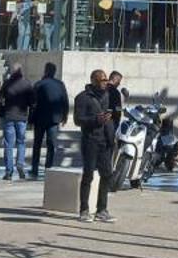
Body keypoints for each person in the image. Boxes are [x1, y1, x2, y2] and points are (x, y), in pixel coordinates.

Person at [73, 68, 117, 223]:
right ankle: (84, 210)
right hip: (90, 140)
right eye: (102, 80)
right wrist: (95, 120)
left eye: (106, 80)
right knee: (88, 175)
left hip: (105, 141)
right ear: (93, 81)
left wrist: (111, 132)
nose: (105, 83)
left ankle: (102, 209)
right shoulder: (82, 98)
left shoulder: (106, 96)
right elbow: (78, 120)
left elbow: (110, 117)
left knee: (107, 174)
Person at [30, 60, 70, 178]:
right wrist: (65, 115)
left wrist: (30, 119)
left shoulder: (39, 84)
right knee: (51, 144)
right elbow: (65, 101)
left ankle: (35, 169)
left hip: (40, 119)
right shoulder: (60, 84)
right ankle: (48, 168)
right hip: (54, 119)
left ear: (46, 71)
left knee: (37, 144)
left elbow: (33, 103)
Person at [0, 61, 35, 180]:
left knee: (8, 144)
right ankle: (20, 164)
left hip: (9, 116)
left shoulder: (7, 83)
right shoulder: (27, 84)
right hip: (22, 116)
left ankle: (9, 171)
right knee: (21, 142)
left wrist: (2, 111)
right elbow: (33, 102)